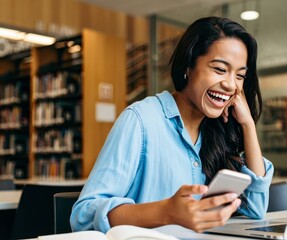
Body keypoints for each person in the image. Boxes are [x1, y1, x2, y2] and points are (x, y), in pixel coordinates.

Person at [70, 16, 273, 233]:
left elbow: (256, 208)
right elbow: (83, 216)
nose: (230, 84)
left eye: (240, 75)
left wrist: (248, 125)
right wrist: (166, 211)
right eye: (219, 69)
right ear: (188, 65)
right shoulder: (140, 120)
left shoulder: (216, 131)